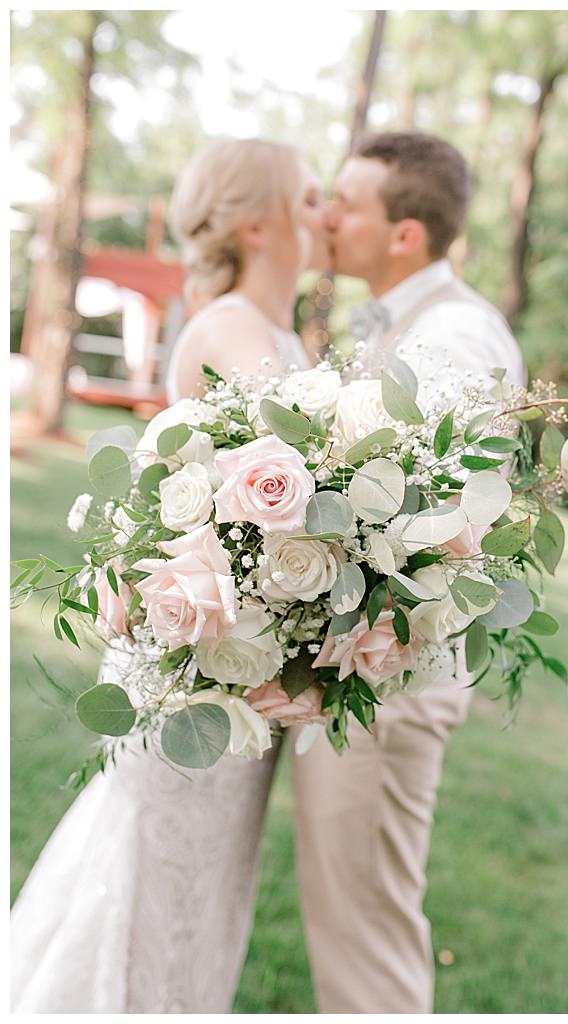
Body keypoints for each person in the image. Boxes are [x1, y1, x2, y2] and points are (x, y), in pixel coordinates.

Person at [11, 137, 330, 1013]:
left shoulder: (276, 335)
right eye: (310, 199)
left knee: (195, 891)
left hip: (240, 664)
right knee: (158, 883)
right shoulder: (229, 330)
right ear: (258, 225)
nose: (326, 216)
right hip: (196, 669)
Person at [286, 129, 522, 1014]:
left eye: (346, 201)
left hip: (390, 678)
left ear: (405, 235)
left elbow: (419, 513)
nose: (328, 214)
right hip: (361, 664)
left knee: (367, 937)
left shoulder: (454, 336)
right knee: (350, 918)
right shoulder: (398, 322)